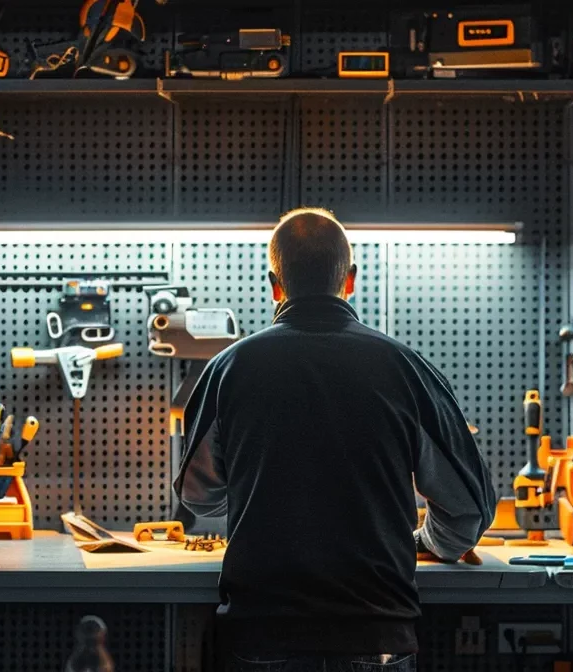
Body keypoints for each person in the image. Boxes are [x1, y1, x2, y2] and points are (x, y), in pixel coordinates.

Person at [174, 207, 495, 672]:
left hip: (262, 636)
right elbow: (469, 510)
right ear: (351, 280)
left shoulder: (229, 370)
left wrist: (257, 487)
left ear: (274, 285)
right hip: (376, 634)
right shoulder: (405, 370)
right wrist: (430, 541)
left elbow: (197, 497)